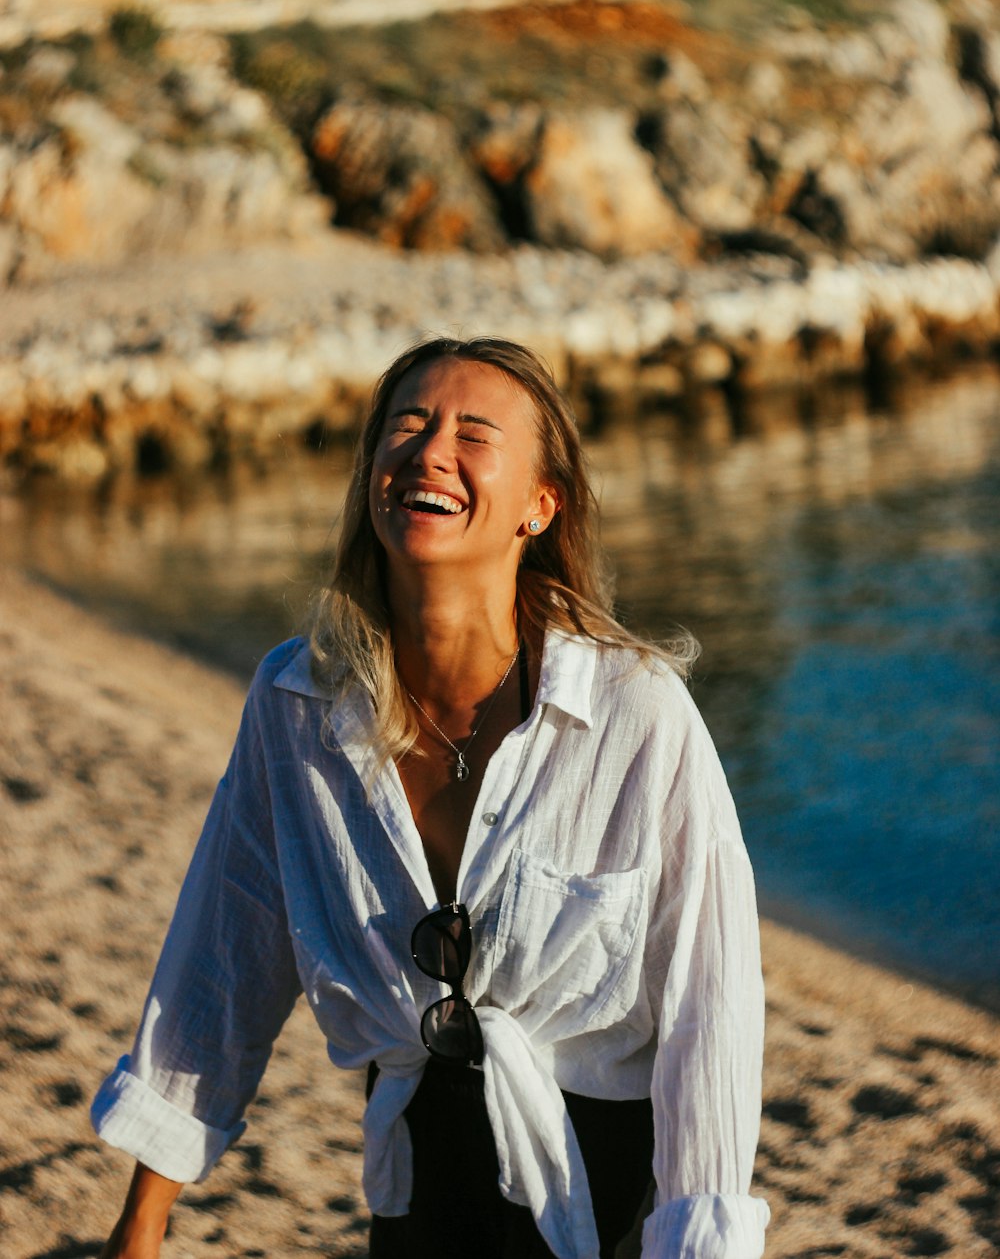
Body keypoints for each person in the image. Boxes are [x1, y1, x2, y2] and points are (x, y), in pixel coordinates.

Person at [92, 335, 770, 1259]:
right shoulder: (298, 705)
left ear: (540, 506)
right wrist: (142, 1222)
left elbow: (709, 1002)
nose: (429, 450)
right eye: (406, 426)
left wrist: (700, 1236)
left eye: (472, 432)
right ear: (373, 476)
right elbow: (223, 950)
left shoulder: (635, 713)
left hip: (602, 1202)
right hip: (413, 1197)